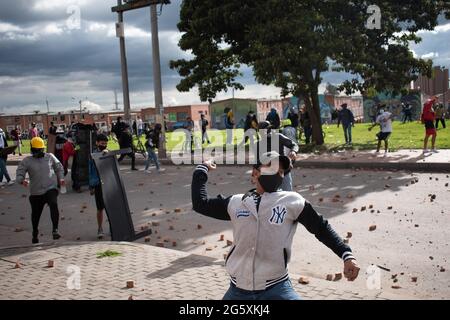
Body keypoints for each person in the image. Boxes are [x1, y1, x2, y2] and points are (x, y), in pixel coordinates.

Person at [191, 153, 360, 300]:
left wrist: (347, 255)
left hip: (277, 288)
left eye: (281, 172)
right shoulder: (236, 203)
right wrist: (201, 170)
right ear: (255, 173)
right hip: (238, 290)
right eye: (272, 168)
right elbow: (201, 204)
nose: (278, 174)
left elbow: (321, 228)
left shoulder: (292, 201)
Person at [16, 137, 65, 244]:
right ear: (32, 149)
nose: (39, 152)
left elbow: (59, 167)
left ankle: (55, 230)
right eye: (37, 150)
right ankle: (35, 232)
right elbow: (20, 172)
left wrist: (61, 178)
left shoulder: (50, 157)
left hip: (50, 188)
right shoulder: (27, 161)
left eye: (41, 150)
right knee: (35, 215)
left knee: (53, 203)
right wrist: (21, 180)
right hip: (36, 192)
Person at [257, 121, 298, 192]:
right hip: (270, 174)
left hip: (284, 171)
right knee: (272, 196)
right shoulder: (259, 144)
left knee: (287, 194)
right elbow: (258, 162)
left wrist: (293, 151)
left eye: (268, 130)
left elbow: (294, 145)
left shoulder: (279, 137)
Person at [89, 134, 109, 239]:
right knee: (100, 208)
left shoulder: (108, 153)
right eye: (102, 143)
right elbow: (91, 171)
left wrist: (108, 154)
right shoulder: (93, 155)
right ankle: (100, 228)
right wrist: (91, 186)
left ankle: (113, 226)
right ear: (97, 143)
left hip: (109, 182)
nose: (104, 145)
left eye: (105, 143)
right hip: (98, 184)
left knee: (111, 206)